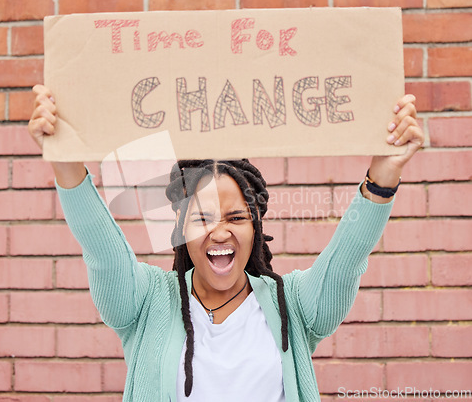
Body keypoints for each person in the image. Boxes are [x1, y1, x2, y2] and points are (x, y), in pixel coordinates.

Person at [29, 84, 423, 402]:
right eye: (202, 219)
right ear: (182, 229)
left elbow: (346, 259)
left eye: (236, 218)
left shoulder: (293, 304)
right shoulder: (147, 301)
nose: (220, 232)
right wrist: (65, 160)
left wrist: (382, 178)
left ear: (255, 227)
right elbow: (103, 251)